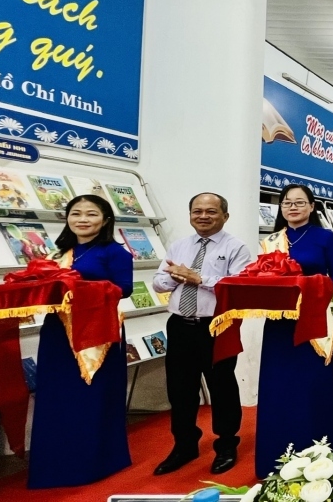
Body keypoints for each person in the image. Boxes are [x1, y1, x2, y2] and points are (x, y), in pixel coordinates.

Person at [28, 195, 132, 488]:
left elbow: (123, 289)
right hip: (58, 332)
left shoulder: (115, 252)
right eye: (76, 213)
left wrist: (78, 286)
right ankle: (53, 463)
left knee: (91, 398)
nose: (83, 219)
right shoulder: (58, 252)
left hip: (97, 335)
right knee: (56, 397)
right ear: (67, 218)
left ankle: (93, 464)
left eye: (91, 214)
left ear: (106, 219)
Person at [151, 193, 251, 476]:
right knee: (180, 389)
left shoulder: (236, 247)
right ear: (190, 215)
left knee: (222, 388)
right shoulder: (179, 246)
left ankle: (226, 445)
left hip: (216, 326)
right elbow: (158, 283)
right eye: (197, 211)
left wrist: (199, 278)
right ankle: (184, 445)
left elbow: (238, 286)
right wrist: (175, 276)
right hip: (179, 324)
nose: (203, 216)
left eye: (211, 211)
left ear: (225, 216)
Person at [255, 184, 333, 478]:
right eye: (287, 203)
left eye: (299, 202)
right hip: (280, 324)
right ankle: (275, 457)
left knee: (311, 388)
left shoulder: (324, 237)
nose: (292, 208)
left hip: (313, 320)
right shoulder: (271, 240)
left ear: (311, 206)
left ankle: (319, 457)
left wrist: (311, 288)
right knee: (278, 388)